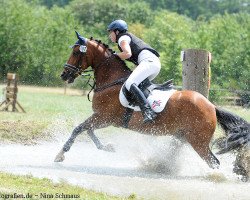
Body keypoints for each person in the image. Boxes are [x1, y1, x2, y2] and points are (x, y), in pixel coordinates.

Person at [107, 19, 161, 123]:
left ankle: (147, 112)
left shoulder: (122, 38)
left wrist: (112, 56)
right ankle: (143, 110)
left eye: (111, 32)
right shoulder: (125, 37)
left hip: (148, 62)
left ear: (117, 32)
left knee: (130, 83)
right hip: (153, 64)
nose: (110, 35)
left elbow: (127, 53)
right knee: (136, 86)